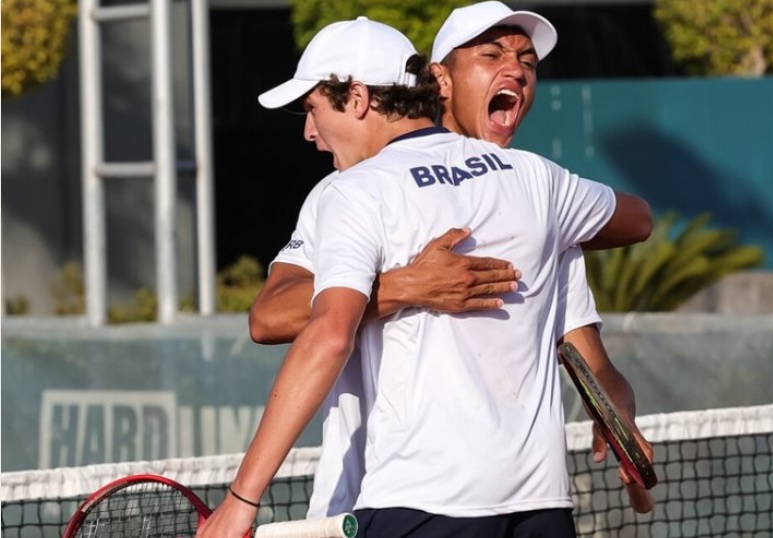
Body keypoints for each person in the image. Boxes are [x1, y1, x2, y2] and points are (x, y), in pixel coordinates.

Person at [199, 16, 645, 538]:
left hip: (413, 502)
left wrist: (242, 498)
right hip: (535, 506)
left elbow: (329, 333)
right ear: (440, 79)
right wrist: (406, 285)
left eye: (313, 108)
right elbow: (637, 218)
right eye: (492, 55)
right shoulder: (536, 182)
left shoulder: (359, 190)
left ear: (359, 98)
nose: (308, 131)